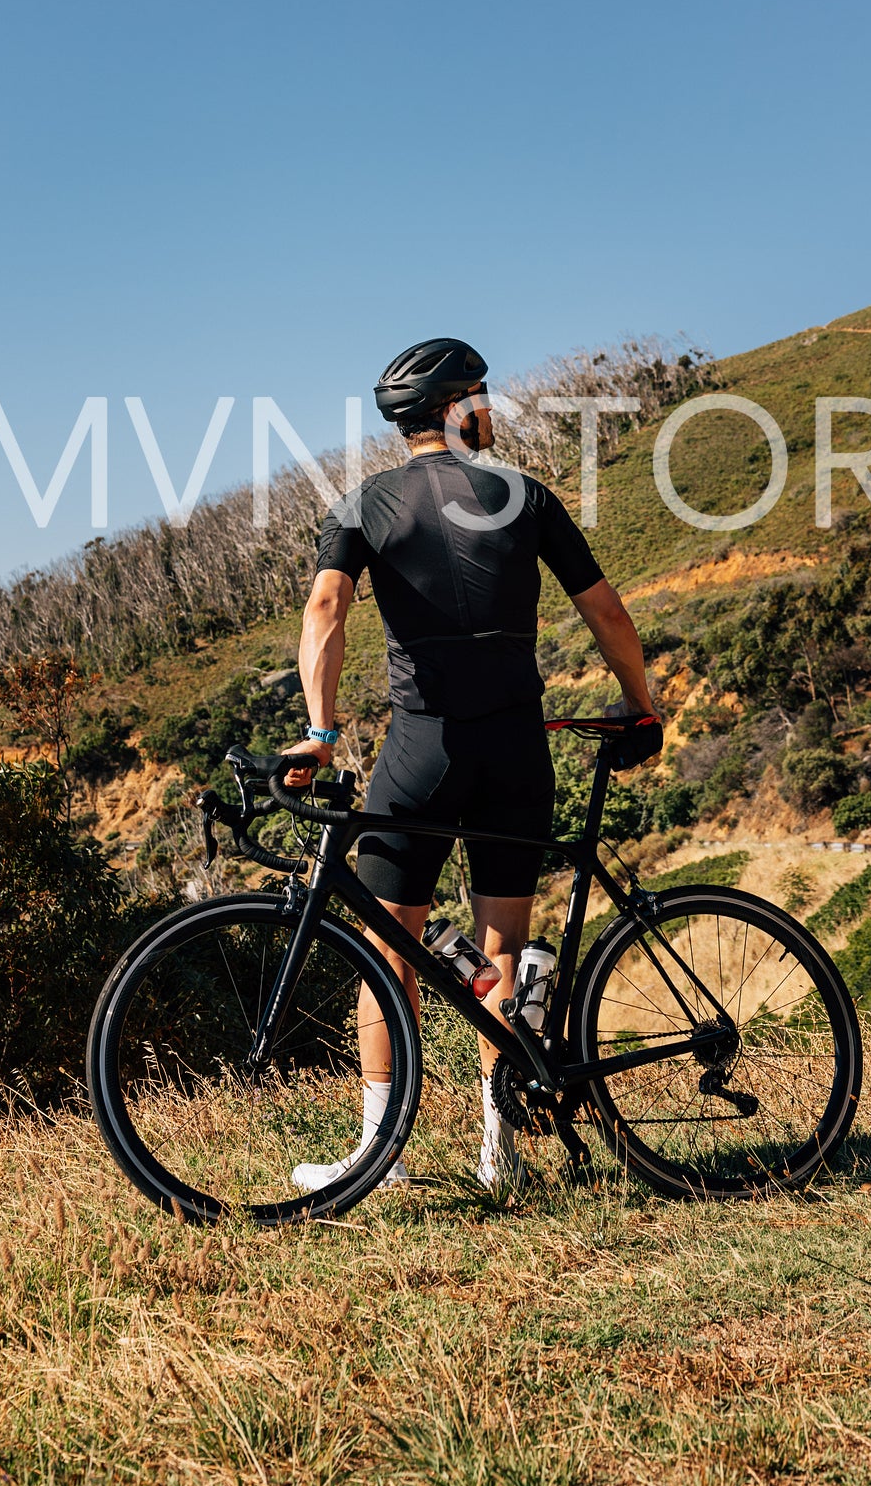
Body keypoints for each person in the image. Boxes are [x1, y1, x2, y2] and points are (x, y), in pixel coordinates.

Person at [282, 335, 661, 1193]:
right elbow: (602, 608)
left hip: (424, 748)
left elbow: (324, 607)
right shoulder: (524, 495)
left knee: (389, 951)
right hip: (515, 745)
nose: (489, 411)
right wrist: (641, 702)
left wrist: (321, 730)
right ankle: (502, 1153)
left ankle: (381, 1157)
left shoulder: (364, 504)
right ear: (457, 406)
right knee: (502, 951)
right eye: (482, 397)